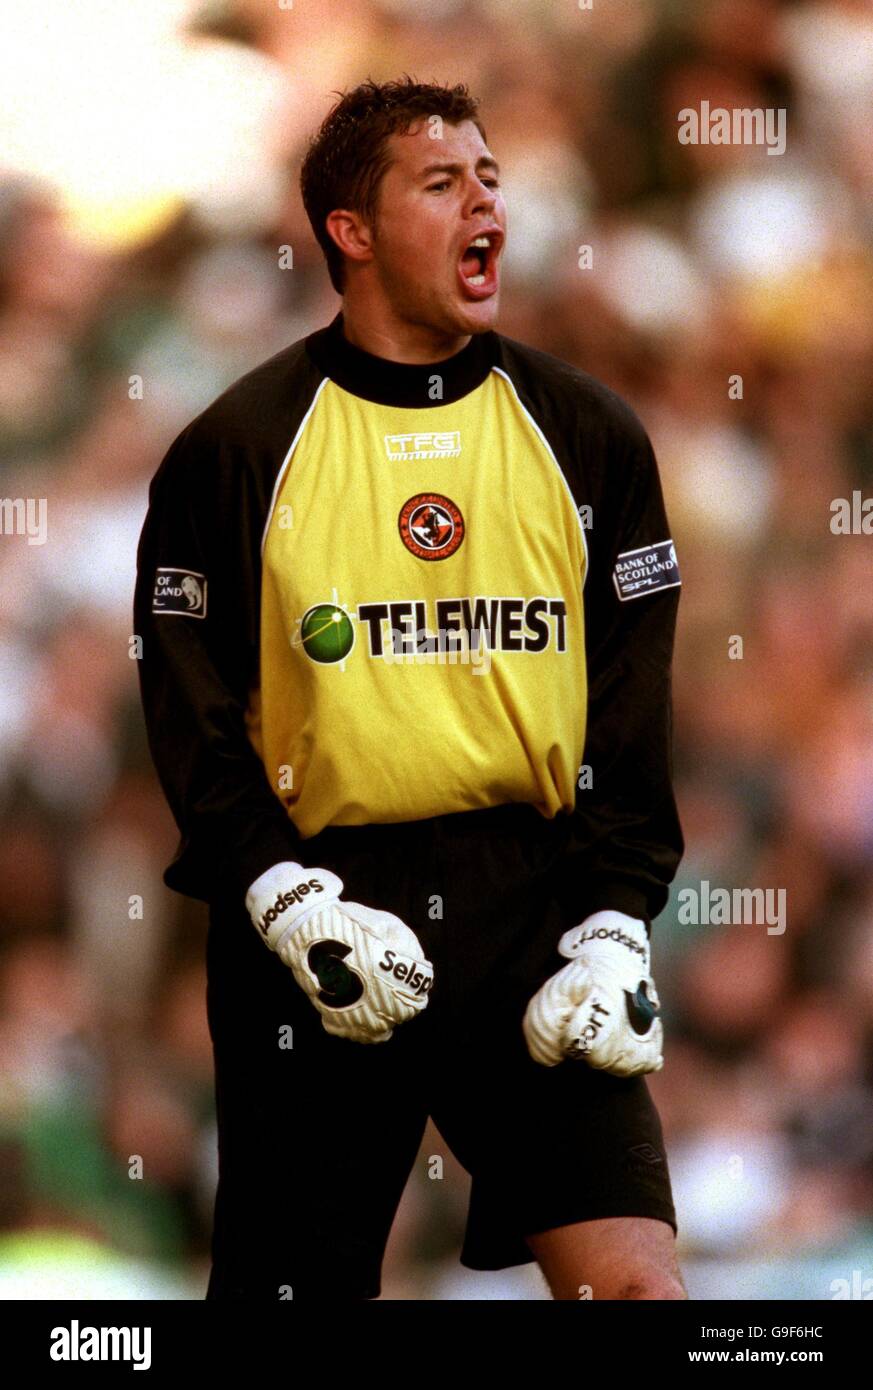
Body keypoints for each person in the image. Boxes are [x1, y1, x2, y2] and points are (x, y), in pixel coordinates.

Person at [133, 76, 687, 1301]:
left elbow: (633, 708)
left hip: (532, 899)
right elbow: (189, 712)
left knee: (639, 1287)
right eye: (443, 182)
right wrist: (282, 897)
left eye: (490, 176)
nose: (485, 197)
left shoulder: (591, 434)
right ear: (353, 231)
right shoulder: (236, 447)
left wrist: (614, 919)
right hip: (322, 908)